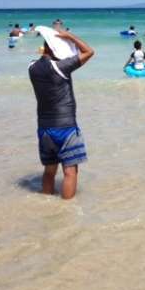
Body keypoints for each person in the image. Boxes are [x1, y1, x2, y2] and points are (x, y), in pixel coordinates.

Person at [28, 29, 95, 200]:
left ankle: (46, 204)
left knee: (50, 171)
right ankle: (66, 213)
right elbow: (89, 51)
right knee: (70, 172)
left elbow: (45, 61)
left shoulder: (32, 68)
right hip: (65, 128)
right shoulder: (61, 68)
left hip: (44, 129)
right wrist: (70, 36)